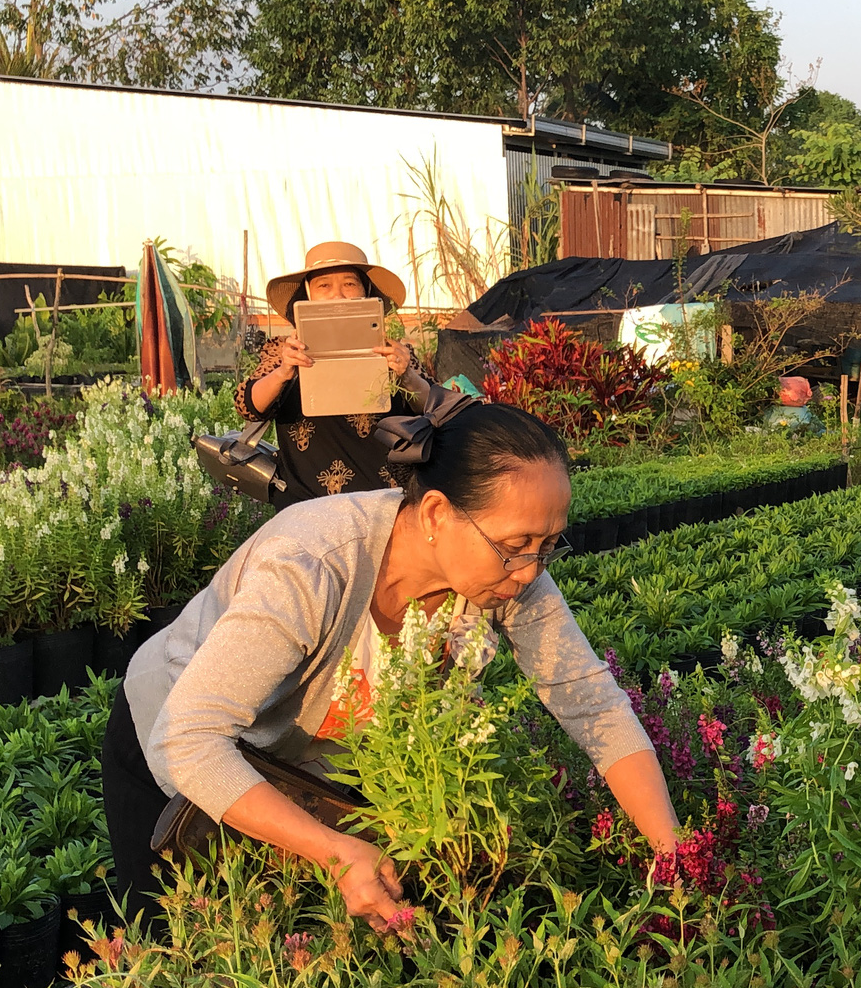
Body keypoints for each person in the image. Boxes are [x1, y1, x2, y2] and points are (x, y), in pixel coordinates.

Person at [102, 394, 678, 929]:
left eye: (549, 545)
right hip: (178, 749)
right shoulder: (312, 565)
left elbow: (593, 705)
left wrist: (674, 857)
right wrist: (334, 853)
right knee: (182, 949)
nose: (530, 570)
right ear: (434, 514)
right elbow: (192, 740)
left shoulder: (510, 577)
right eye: (515, 544)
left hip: (304, 774)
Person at [237, 241, 431, 508]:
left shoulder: (395, 352)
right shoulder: (282, 351)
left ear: (366, 293)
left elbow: (433, 409)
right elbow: (248, 406)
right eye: (323, 286)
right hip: (307, 507)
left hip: (385, 505)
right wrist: (283, 372)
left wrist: (406, 374)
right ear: (307, 296)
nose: (338, 295)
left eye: (349, 284)